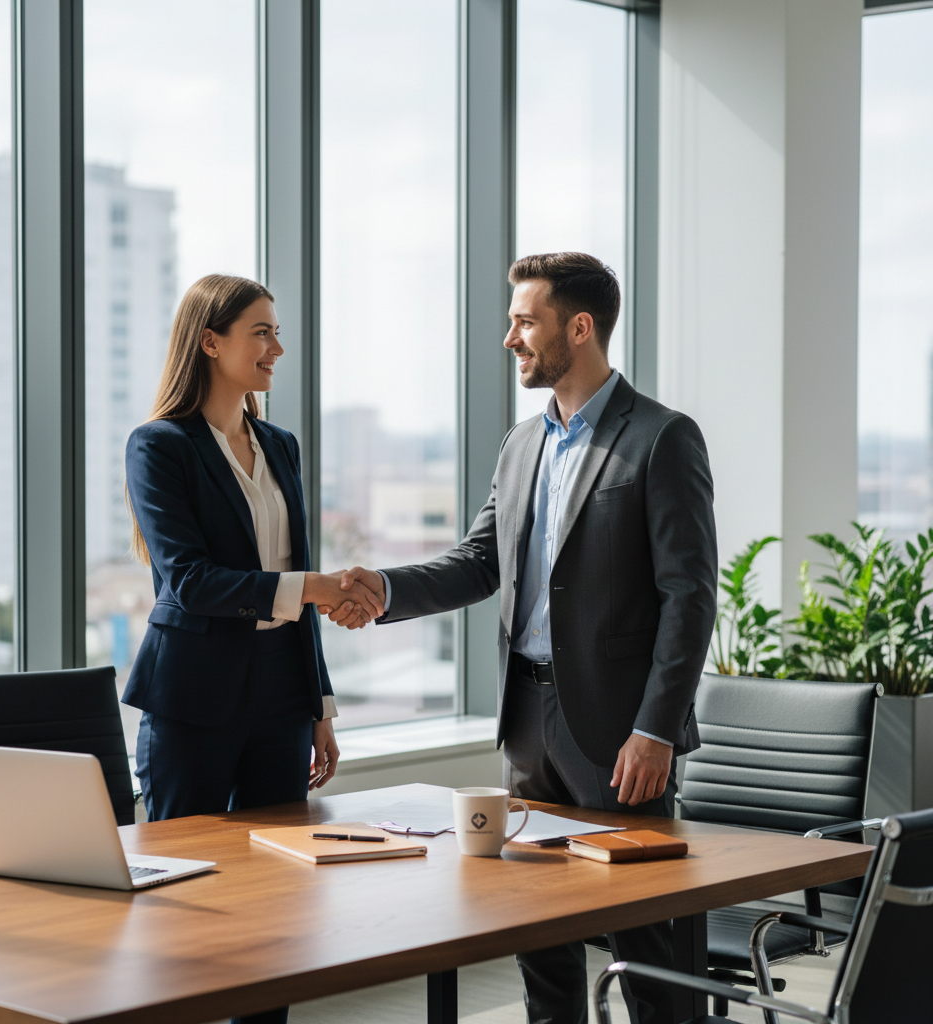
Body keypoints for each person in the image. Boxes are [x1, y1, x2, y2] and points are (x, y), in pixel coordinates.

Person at [329, 253, 717, 1024]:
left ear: (579, 327)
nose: (510, 337)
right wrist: (385, 590)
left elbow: (689, 596)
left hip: (619, 734)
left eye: (525, 320)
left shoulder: (662, 438)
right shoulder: (521, 444)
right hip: (528, 729)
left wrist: (655, 728)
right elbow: (480, 563)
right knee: (538, 931)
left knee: (645, 943)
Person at [124, 274, 382, 1024]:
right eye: (260, 332)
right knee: (182, 899)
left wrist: (319, 706)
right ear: (211, 342)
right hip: (192, 699)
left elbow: (297, 585)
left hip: (279, 697)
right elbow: (191, 582)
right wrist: (316, 586)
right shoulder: (160, 446)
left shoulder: (279, 444)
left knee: (277, 901)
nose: (277, 347)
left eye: (276, 331)